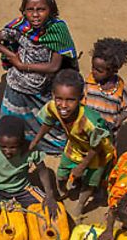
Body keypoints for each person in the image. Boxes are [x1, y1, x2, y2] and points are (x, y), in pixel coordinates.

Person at [0, 0, 77, 151]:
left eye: (41, 9)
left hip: (42, 89)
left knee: (50, 124)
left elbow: (54, 67)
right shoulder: (20, 28)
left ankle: (41, 144)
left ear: (51, 10)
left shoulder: (58, 31)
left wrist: (23, 65)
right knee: (13, 126)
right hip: (16, 86)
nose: (35, 15)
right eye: (30, 10)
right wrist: (13, 57)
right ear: (24, 11)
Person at [31, 69, 115, 214]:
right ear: (53, 96)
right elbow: (49, 121)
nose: (63, 105)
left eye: (70, 100)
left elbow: (97, 147)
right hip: (75, 146)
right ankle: (63, 192)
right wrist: (35, 140)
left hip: (97, 154)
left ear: (81, 98)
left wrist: (81, 167)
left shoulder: (89, 122)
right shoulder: (53, 107)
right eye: (59, 98)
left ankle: (80, 206)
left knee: (89, 183)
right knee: (62, 174)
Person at [85, 37, 127, 133]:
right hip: (85, 131)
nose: (93, 71)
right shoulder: (88, 85)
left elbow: (126, 110)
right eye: (93, 67)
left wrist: (120, 119)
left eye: (99, 70)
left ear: (113, 70)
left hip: (107, 135)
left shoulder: (121, 90)